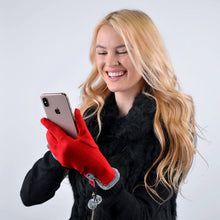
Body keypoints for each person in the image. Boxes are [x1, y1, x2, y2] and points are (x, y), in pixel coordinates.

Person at [20, 9, 197, 220]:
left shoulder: (170, 123)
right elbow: (30, 196)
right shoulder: (89, 120)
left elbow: (145, 215)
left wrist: (104, 174)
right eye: (102, 52)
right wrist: (59, 156)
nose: (110, 62)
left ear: (147, 55)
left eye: (123, 51)